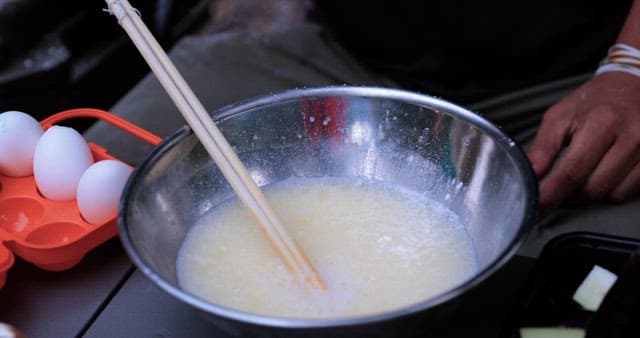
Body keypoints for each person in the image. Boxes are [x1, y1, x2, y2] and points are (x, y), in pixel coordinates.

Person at [85, 0, 640, 256]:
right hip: (345, 60)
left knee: (573, 280)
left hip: (580, 77)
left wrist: (630, 66)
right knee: (92, 177)